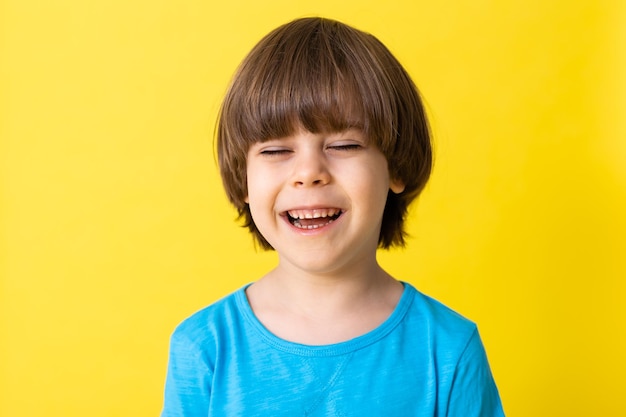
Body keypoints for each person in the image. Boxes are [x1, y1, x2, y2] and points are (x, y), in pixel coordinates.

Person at [161, 17, 505, 416]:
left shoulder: (448, 350)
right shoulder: (204, 348)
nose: (309, 173)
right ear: (244, 179)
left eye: (344, 144)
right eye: (275, 151)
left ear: (396, 166)